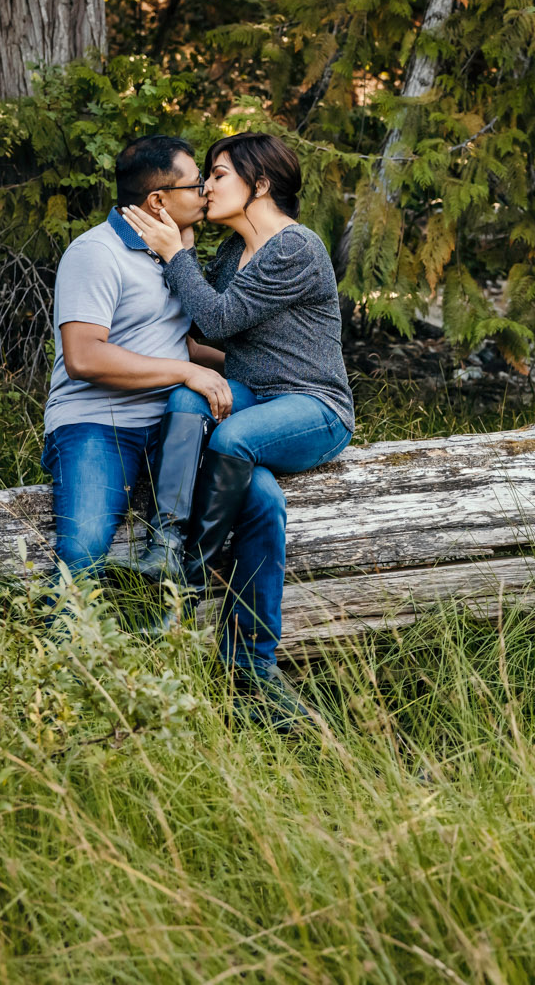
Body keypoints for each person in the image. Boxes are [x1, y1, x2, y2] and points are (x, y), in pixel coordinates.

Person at [121, 131, 354, 732]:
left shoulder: (294, 248)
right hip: (253, 398)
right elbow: (207, 333)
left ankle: (187, 581)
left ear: (262, 183)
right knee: (241, 472)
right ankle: (239, 650)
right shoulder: (231, 254)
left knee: (230, 440)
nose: (206, 187)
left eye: (219, 175)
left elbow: (218, 316)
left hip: (312, 406)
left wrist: (176, 254)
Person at [43, 135, 230, 598]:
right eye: (196, 184)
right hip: (98, 425)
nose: (206, 190)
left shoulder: (170, 254)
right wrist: (187, 373)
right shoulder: (96, 254)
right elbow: (84, 356)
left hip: (173, 425)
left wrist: (244, 367)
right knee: (84, 546)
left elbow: (174, 342)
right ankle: (58, 658)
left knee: (246, 507)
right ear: (158, 200)